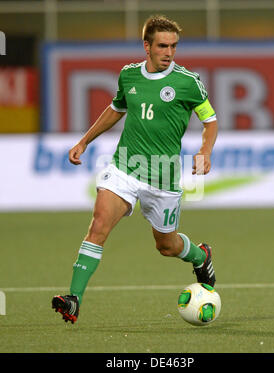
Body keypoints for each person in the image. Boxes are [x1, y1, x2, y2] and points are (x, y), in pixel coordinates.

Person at [52, 15, 218, 324]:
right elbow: (117, 109)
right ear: (147, 46)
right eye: (162, 46)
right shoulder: (129, 75)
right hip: (125, 168)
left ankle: (201, 255)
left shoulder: (187, 81)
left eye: (173, 46)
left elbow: (210, 120)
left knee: (166, 246)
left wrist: (205, 151)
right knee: (99, 224)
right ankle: (73, 299)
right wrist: (84, 141)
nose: (169, 52)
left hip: (163, 175)